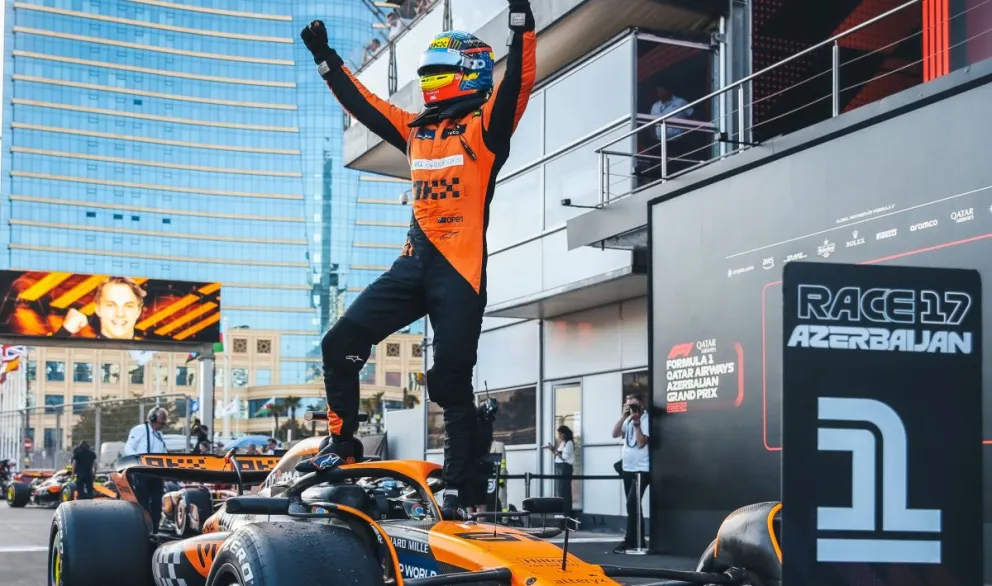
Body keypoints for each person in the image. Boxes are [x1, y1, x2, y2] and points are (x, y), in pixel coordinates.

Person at [298, 0, 537, 521]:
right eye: (427, 74)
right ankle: (341, 441)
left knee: (449, 379)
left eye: (437, 73)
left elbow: (517, 84)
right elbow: (362, 105)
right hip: (412, 265)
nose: (429, 82)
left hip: (459, 271)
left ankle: (459, 487)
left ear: (467, 75)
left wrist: (523, 27)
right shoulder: (415, 132)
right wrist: (325, 58)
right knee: (339, 343)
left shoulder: (486, 128)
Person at [611, 394, 650, 553]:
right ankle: (636, 540)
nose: (631, 408)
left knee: (632, 503)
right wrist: (623, 417)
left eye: (634, 405)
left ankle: (632, 540)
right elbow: (614, 434)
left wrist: (636, 422)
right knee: (633, 506)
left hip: (641, 470)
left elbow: (641, 443)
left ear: (641, 405)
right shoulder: (626, 419)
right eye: (628, 405)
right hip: (628, 468)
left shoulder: (646, 419)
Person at [124, 407, 169, 533]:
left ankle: (154, 529)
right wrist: (137, 462)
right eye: (161, 423)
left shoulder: (159, 435)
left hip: (156, 473)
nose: (162, 426)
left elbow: (163, 452)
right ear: (153, 418)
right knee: (142, 501)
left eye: (164, 424)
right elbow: (129, 447)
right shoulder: (139, 430)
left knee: (156, 502)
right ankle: (141, 528)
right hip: (142, 472)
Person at [58, 276, 146, 339]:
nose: (120, 314)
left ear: (138, 311)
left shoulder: (151, 358)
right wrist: (64, 331)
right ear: (98, 308)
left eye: (128, 306)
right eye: (111, 305)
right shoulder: (80, 353)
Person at [546, 425, 575, 523]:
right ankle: (562, 511)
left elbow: (565, 457)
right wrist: (555, 450)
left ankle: (566, 513)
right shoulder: (563, 443)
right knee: (560, 490)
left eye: (561, 434)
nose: (559, 436)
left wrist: (554, 450)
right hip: (559, 466)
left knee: (564, 490)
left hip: (565, 467)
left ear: (565, 434)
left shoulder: (569, 443)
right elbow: (559, 454)